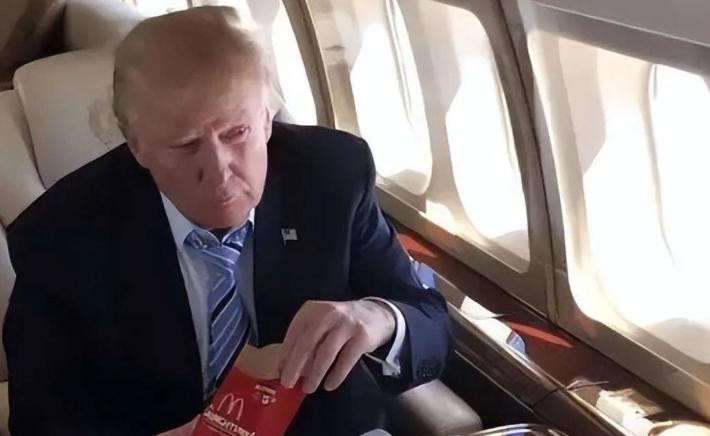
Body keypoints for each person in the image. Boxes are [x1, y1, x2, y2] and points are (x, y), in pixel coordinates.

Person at [3, 6, 450, 436]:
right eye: (185, 145)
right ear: (137, 145)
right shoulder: (60, 234)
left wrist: (377, 317)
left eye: (237, 133)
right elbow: (40, 417)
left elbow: (429, 322)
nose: (220, 172)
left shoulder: (332, 176)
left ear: (266, 118)